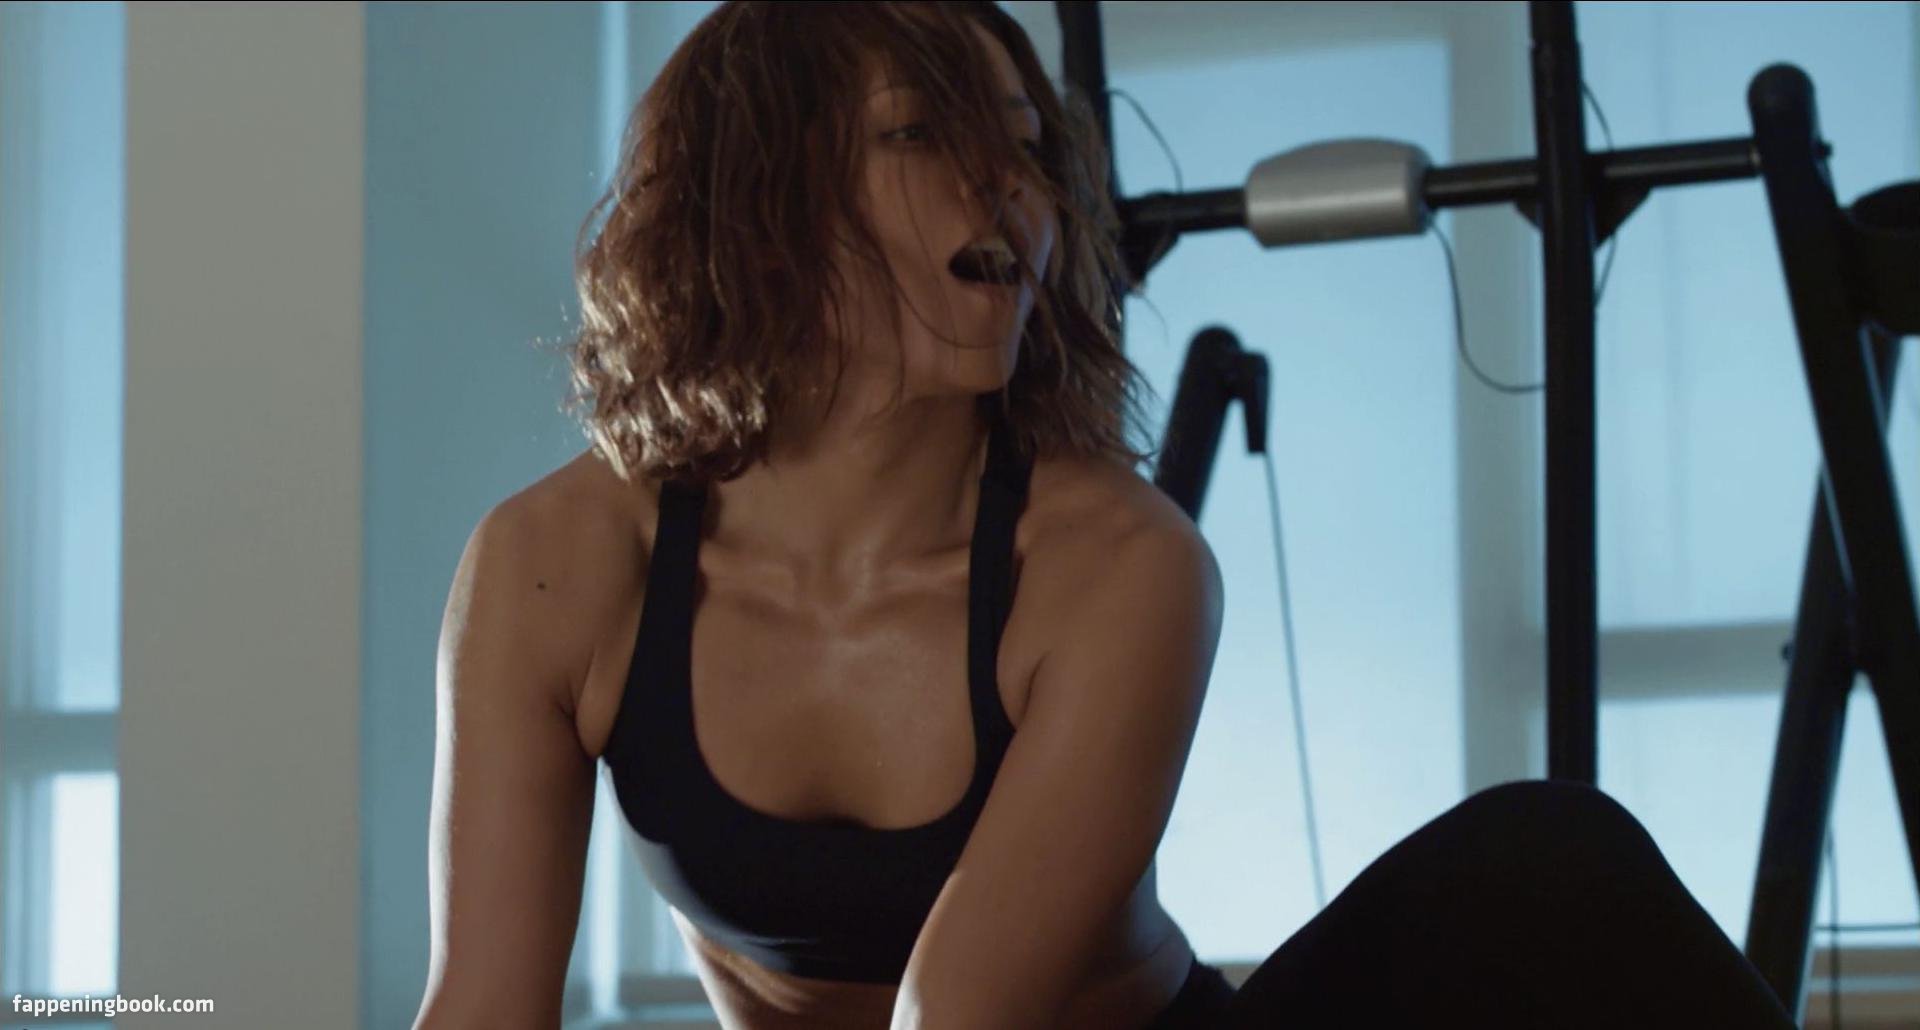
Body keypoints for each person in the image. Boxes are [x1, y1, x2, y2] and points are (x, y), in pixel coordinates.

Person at [412, 4, 1797, 1028]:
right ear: (753, 197)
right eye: (921, 133)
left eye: (1023, 150)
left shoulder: (1115, 563)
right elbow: (478, 1008)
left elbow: (961, 1014)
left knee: (1549, 860)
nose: (1003, 186)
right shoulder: (560, 565)